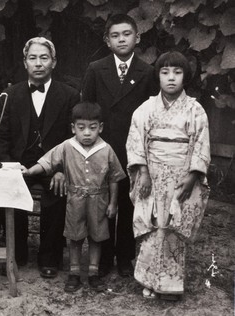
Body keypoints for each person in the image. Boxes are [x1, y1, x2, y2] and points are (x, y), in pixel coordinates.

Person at [0, 37, 80, 278]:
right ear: (25, 62)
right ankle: (16, 254)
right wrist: (10, 165)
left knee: (57, 193)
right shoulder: (10, 95)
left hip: (54, 167)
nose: (38, 63)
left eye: (44, 58)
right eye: (33, 58)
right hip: (18, 165)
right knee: (12, 192)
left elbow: (73, 139)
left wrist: (62, 168)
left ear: (54, 62)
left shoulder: (70, 95)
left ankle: (49, 257)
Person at [126, 51, 210, 301]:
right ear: (158, 76)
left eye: (177, 72)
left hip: (181, 174)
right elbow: (135, 141)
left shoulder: (195, 110)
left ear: (186, 77)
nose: (171, 78)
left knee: (173, 225)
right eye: (165, 72)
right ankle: (148, 280)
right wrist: (142, 172)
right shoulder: (146, 108)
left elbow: (201, 144)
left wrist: (193, 176)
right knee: (153, 226)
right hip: (152, 173)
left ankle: (171, 284)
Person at [80, 14, 158, 277]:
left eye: (127, 34)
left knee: (127, 203)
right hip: (103, 147)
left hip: (133, 149)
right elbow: (87, 108)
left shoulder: (147, 72)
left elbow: (151, 114)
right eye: (115, 35)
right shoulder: (96, 68)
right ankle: (101, 258)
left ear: (137, 38)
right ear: (107, 40)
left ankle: (125, 256)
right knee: (102, 203)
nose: (121, 39)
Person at [23, 102, 126, 292]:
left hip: (99, 200)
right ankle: (74, 273)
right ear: (73, 128)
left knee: (96, 238)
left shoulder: (106, 149)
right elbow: (47, 162)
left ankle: (93, 274)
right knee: (75, 237)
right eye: (81, 128)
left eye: (92, 128)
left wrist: (113, 203)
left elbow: (114, 178)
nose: (87, 133)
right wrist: (30, 171)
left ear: (100, 128)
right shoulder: (66, 147)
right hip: (75, 200)